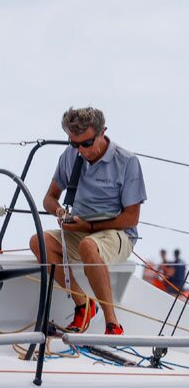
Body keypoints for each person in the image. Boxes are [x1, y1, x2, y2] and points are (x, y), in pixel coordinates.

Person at [30, 107, 147, 335]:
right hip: (80, 228)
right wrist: (61, 213)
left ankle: (112, 324)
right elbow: (49, 198)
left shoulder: (127, 161)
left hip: (117, 232)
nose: (81, 150)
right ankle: (83, 304)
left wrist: (90, 227)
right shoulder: (70, 155)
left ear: (103, 132)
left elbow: (131, 218)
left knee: (88, 245)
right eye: (75, 144)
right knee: (38, 241)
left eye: (86, 143)